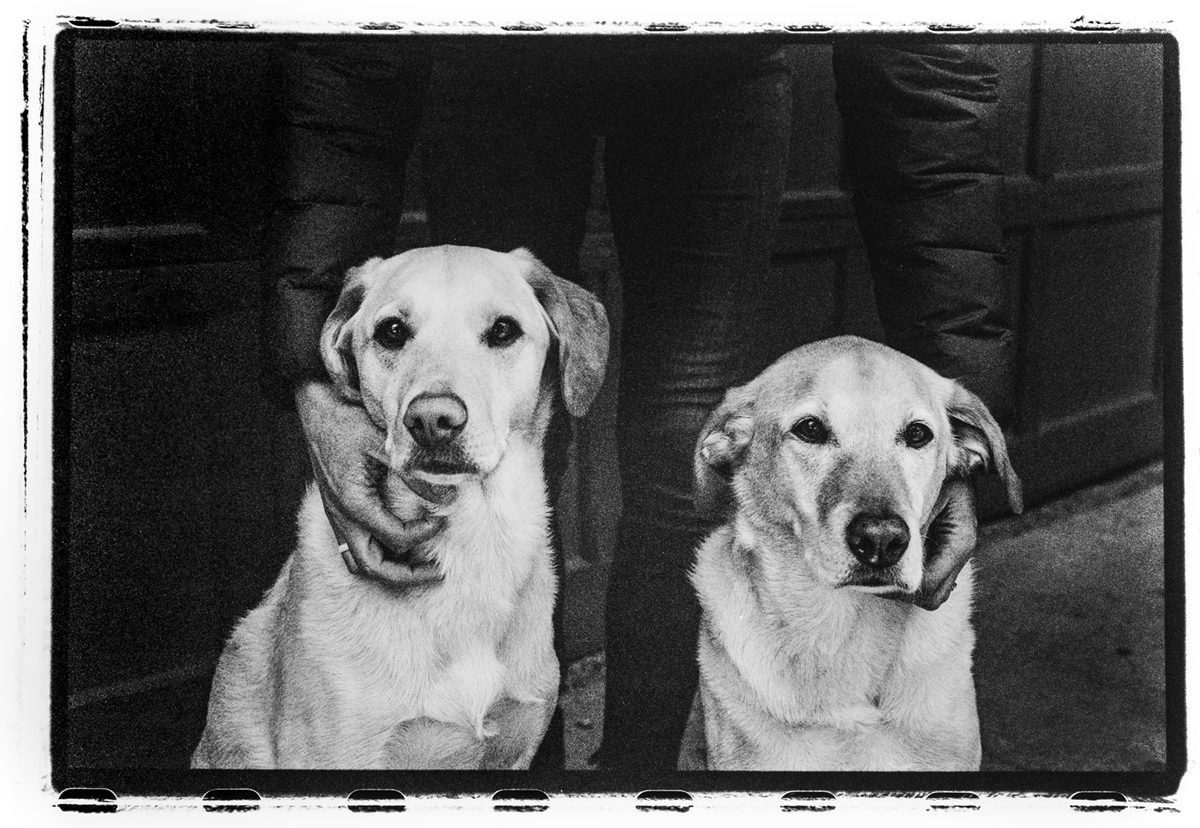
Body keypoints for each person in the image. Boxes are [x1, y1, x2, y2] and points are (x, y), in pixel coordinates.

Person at [261, 35, 1013, 772]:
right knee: (493, 447)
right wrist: (317, 377)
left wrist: (950, 444)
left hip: (716, 65)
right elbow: (341, 55)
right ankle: (522, 775)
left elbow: (929, 71)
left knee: (681, 455)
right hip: (497, 54)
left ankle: (636, 780)